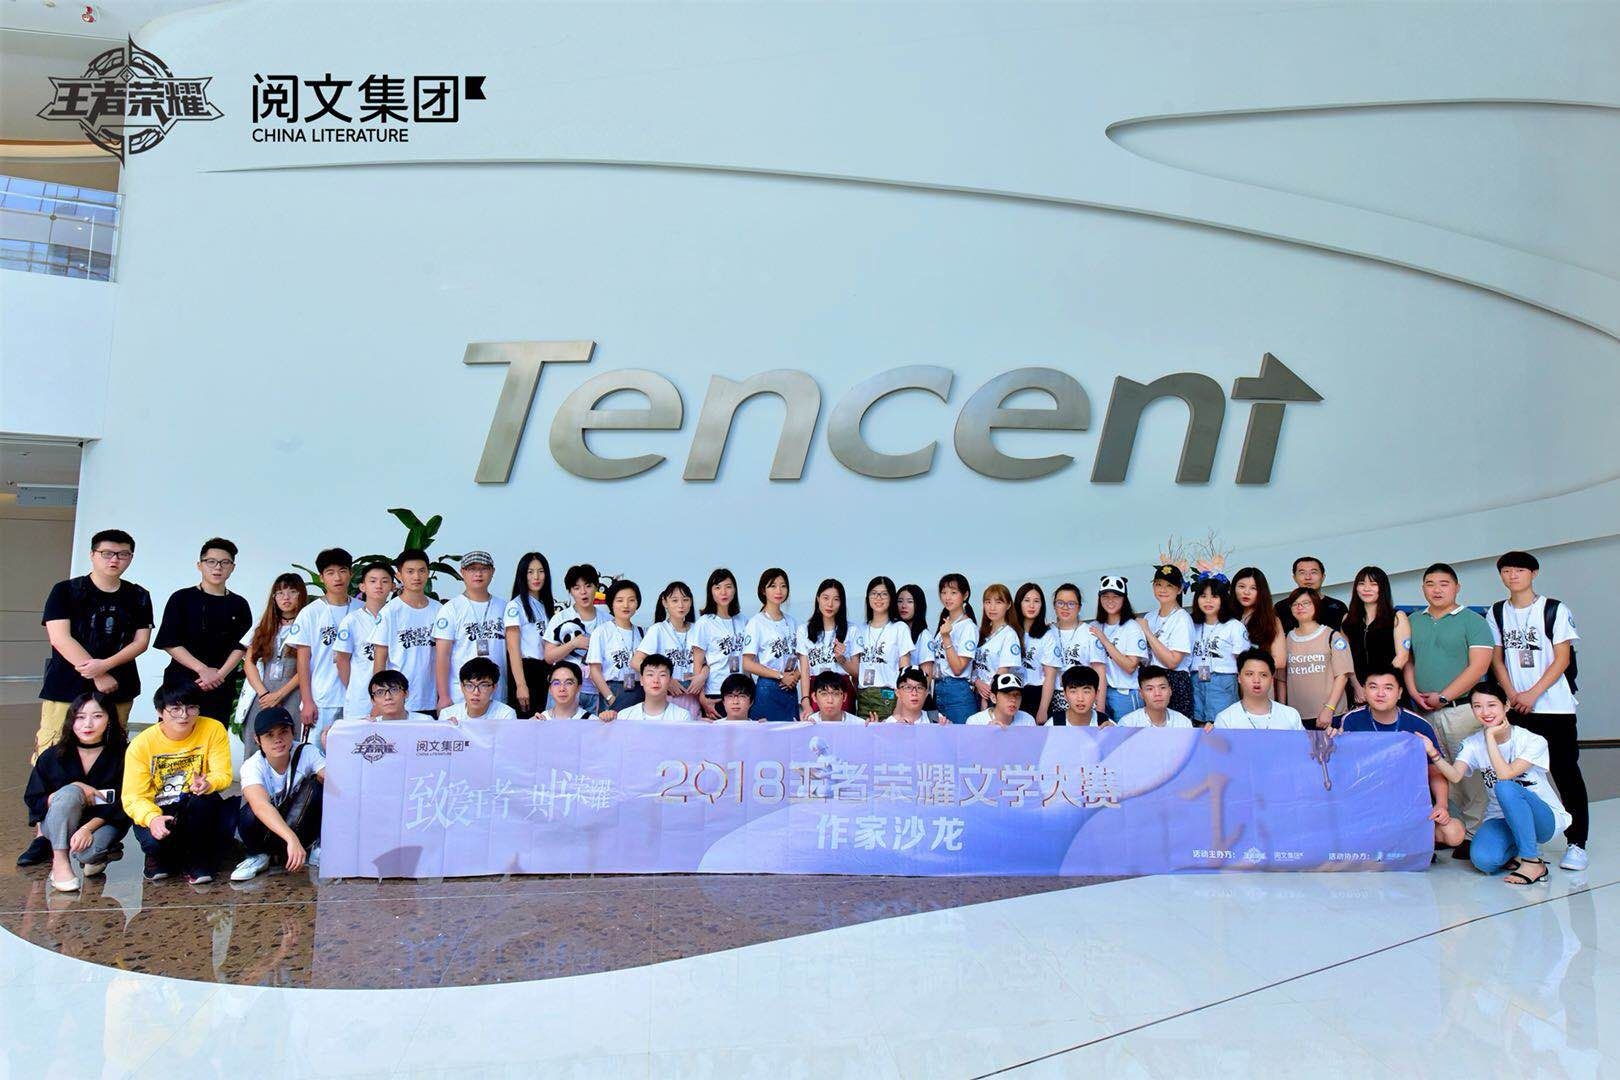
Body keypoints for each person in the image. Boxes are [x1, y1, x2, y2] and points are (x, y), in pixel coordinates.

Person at [1487, 550, 1589, 872]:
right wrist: (1512, 694)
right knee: (1519, 775)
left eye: (1519, 570)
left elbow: (1562, 659)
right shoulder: (1497, 612)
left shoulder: (1554, 610)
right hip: (1517, 706)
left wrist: (1533, 693)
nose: (1513, 575)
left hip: (1555, 708)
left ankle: (1577, 843)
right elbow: (1497, 659)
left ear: (1534, 573)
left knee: (1565, 773)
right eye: (1507, 570)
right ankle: (1526, 844)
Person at [1425, 682, 1571, 884]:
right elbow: (1455, 776)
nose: (1485, 712)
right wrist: (1433, 753)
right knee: (1484, 861)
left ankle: (1532, 861)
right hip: (1500, 817)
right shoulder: (1472, 743)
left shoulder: (1532, 740)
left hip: (1542, 818)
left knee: (1504, 787)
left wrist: (1491, 737)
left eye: (1491, 705)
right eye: (1477, 706)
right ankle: (1517, 849)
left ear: (1506, 705)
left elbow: (1505, 774)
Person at [33, 528, 152, 768]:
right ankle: (50, 793)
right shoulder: (65, 590)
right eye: (107, 553)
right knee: (55, 749)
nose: (114, 560)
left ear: (131, 557)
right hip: (66, 686)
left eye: (123, 554)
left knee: (111, 750)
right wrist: (98, 674)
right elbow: (60, 638)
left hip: (118, 687)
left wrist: (105, 666)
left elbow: (141, 642)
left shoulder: (138, 595)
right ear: (92, 554)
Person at [1404, 561, 1494, 855]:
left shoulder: (1473, 621)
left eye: (1444, 584)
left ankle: (1474, 834)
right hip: (1424, 711)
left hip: (1460, 711)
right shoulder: (1413, 620)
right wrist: (1413, 692)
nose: (1437, 590)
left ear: (1457, 587)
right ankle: (1451, 830)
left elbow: (1479, 666)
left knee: (1469, 774)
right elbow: (1408, 660)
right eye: (1430, 584)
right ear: (1423, 588)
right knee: (1437, 773)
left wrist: (1443, 697)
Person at [1337, 667, 1465, 850]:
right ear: (1364, 690)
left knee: (1453, 832)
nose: (1380, 693)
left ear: (1399, 693)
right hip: (1368, 801)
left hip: (1410, 802)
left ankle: (1412, 841)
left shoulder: (1418, 724)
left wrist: (1441, 805)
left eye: (1388, 688)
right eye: (1373, 687)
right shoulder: (1351, 721)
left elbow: (1435, 772)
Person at [123, 683, 234, 884]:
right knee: (155, 843)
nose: (184, 715)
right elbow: (133, 797)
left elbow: (223, 774)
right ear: (160, 712)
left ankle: (197, 860)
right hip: (159, 809)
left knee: (209, 804)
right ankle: (157, 857)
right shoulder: (141, 744)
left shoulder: (213, 729)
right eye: (175, 709)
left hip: (192, 803)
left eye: (191, 708)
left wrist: (208, 783)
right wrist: (152, 818)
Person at [22, 691, 129, 891]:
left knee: (89, 853)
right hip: (57, 822)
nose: (88, 724)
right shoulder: (52, 756)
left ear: (109, 719)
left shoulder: (124, 754)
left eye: (97, 716)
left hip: (103, 821)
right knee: (70, 793)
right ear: (71, 720)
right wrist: (75, 788)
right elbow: (34, 798)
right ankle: (60, 860)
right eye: (80, 717)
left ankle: (103, 852)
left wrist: (87, 829)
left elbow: (125, 800)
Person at [155, 537, 252, 736]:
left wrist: (219, 675)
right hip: (182, 682)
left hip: (220, 685)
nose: (218, 567)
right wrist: (203, 670)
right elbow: (170, 641)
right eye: (211, 562)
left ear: (232, 568)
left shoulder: (239, 604)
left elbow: (242, 645)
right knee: (174, 737)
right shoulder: (181, 598)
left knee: (213, 737)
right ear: (199, 565)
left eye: (224, 562)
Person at [229, 706, 325, 882]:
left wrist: (332, 749)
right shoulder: (252, 765)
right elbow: (260, 806)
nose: (278, 740)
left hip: (299, 828)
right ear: (257, 739)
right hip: (267, 835)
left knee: (316, 787)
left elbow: (337, 782)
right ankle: (258, 855)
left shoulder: (307, 752)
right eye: (269, 735)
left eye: (283, 732)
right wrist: (291, 839)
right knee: (250, 812)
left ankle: (315, 847)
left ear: (293, 732)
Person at [289, 547, 360, 741]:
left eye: (342, 571)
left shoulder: (362, 609)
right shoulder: (310, 613)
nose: (337, 577)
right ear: (321, 577)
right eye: (330, 572)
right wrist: (307, 701)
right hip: (322, 699)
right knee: (315, 753)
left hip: (357, 698)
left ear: (351, 573)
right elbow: (303, 661)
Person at [368, 549, 443, 717]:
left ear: (428, 573)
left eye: (421, 571)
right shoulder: (390, 611)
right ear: (399, 575)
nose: (416, 576)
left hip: (431, 697)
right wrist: (379, 699)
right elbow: (380, 658)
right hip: (397, 700)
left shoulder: (439, 610)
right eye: (410, 571)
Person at [434, 551, 508, 712]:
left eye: (484, 569)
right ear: (462, 572)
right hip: (460, 697)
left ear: (492, 571)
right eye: (472, 569)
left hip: (497, 693)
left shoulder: (504, 607)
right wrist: (444, 696)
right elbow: (442, 656)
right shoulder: (451, 609)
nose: (478, 574)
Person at [329, 560, 394, 742]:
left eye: (384, 581)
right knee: (358, 746)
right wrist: (355, 686)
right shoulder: (352, 621)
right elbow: (342, 660)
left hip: (394, 698)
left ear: (393, 586)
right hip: (360, 698)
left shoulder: (398, 615)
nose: (379, 586)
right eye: (373, 581)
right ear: (362, 586)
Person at [242, 573, 311, 740]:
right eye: (280, 593)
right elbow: (249, 663)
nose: (285, 597)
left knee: (290, 740)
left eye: (292, 592)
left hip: (293, 693)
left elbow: (309, 665)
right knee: (257, 738)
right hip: (263, 694)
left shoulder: (309, 623)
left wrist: (280, 694)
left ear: (301, 594)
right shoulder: (264, 624)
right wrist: (264, 694)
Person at [1281, 588, 1354, 730]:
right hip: (1297, 717)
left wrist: (1329, 708)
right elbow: (1281, 679)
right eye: (1295, 604)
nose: (1300, 607)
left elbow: (1342, 675)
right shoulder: (1287, 639)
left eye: (1306, 603)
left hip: (1330, 714)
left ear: (1316, 605)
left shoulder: (1332, 636)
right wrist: (1283, 711)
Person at [543, 564, 610, 713]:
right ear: (570, 591)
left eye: (588, 586)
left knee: (593, 727)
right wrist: (573, 644)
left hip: (596, 691)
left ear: (597, 587)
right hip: (564, 691)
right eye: (576, 588)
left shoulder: (608, 620)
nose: (583, 592)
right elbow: (549, 656)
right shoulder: (560, 618)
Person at [1341, 566, 1411, 706]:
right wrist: (1357, 686)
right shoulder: (1347, 619)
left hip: (1388, 690)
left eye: (1373, 584)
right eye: (1362, 584)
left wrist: (1377, 687)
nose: (1366, 589)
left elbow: (1402, 657)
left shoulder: (1397, 617)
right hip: (1358, 691)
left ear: (1383, 588)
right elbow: (1344, 658)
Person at [846, 575, 914, 720]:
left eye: (884, 594)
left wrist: (900, 706)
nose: (878, 598)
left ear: (891, 598)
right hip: (863, 698)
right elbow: (856, 672)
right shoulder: (859, 630)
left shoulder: (899, 628)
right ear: (868, 597)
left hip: (889, 697)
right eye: (874, 593)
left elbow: (905, 669)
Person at [635, 581, 704, 718]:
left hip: (694, 698)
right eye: (675, 600)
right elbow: (636, 661)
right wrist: (667, 680)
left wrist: (703, 675)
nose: (681, 605)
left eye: (685, 600)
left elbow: (707, 662)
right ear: (665, 602)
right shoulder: (658, 629)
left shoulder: (698, 629)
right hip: (667, 698)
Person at [1041, 583, 1106, 725]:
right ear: (1054, 605)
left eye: (1071, 604)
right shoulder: (1046, 632)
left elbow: (1100, 671)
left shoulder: (1090, 633)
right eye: (1060, 603)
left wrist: (1100, 709)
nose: (1065, 608)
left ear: (1079, 607)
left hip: (1083, 697)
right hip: (1054, 696)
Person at [1188, 576, 1250, 725]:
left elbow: (1244, 662)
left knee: (1223, 724)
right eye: (1203, 596)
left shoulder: (1234, 626)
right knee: (1198, 724)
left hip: (1223, 681)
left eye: (1214, 596)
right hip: (1196, 679)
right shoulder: (1191, 624)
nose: (1208, 601)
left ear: (1223, 599)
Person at [742, 568, 801, 722]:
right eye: (773, 586)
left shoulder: (792, 622)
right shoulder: (756, 623)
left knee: (791, 733)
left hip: (790, 688)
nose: (779, 590)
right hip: (768, 688)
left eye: (783, 586)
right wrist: (780, 676)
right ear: (763, 590)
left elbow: (801, 657)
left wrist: (796, 675)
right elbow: (747, 663)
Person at [503, 551, 556, 716]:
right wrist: (521, 685)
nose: (536, 577)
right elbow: (513, 648)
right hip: (526, 672)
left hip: (545, 671)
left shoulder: (545, 606)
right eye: (530, 572)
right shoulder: (515, 606)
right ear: (522, 575)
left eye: (541, 571)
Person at [1138, 565, 1195, 718]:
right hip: (1150, 680)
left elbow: (1172, 661)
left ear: (1179, 589)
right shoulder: (1150, 616)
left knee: (1175, 728)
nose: (1163, 590)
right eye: (1158, 584)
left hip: (1174, 681)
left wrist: (1147, 632)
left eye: (1169, 585)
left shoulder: (1182, 619)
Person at [691, 568, 747, 719]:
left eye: (728, 587)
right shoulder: (705, 622)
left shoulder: (743, 620)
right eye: (717, 587)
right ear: (711, 592)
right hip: (715, 692)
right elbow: (697, 663)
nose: (723, 592)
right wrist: (702, 698)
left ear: (735, 590)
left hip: (741, 692)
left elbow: (747, 660)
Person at [1090, 576, 1148, 720]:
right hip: (1100, 693)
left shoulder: (1132, 627)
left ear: (1124, 599)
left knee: (1127, 733)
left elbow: (1130, 666)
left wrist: (1104, 640)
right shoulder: (1095, 626)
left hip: (1125, 694)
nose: (1110, 601)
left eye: (1116, 596)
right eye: (1105, 596)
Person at [585, 578, 644, 718]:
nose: (626, 605)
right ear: (611, 603)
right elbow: (594, 670)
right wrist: (610, 697)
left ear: (637, 603)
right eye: (620, 600)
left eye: (631, 600)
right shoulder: (601, 632)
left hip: (639, 691)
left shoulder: (643, 632)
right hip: (613, 691)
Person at [796, 578, 854, 719]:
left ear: (842, 602)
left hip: (841, 689)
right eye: (825, 598)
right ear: (818, 599)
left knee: (843, 731)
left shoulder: (851, 629)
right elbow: (805, 669)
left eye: (836, 599)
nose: (830, 604)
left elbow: (856, 672)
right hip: (816, 689)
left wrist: (841, 659)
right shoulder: (804, 630)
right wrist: (805, 700)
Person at [1213, 650, 1306, 730]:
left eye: (1263, 675)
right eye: (1249, 674)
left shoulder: (1291, 716)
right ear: (1239, 678)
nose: (1256, 680)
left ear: (1271, 679)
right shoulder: (1225, 720)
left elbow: (1304, 745)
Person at [931, 573, 979, 724]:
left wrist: (946, 638)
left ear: (965, 595)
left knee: (961, 737)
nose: (947, 597)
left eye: (953, 592)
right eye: (944, 592)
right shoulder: (945, 623)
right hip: (939, 687)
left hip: (957, 691)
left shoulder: (968, 627)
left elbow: (958, 668)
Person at [971, 583, 1023, 710]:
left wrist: (987, 696)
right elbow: (974, 666)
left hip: (995, 696)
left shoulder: (1009, 634)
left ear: (1008, 605)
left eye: (998, 602)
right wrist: (977, 682)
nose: (992, 607)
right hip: (977, 692)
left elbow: (1003, 671)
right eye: (988, 602)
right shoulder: (983, 632)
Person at [1231, 566, 1286, 681]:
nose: (1246, 592)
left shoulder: (1271, 620)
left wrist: (1248, 668)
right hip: (1228, 684)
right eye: (1241, 586)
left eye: (1253, 588)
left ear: (1261, 592)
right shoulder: (1226, 618)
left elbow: (1280, 660)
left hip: (1257, 683)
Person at [1014, 582, 1056, 721]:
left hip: (1036, 695)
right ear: (1019, 603)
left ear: (1042, 605)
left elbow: (1050, 676)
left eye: (1036, 601)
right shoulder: (1010, 632)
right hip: (1011, 692)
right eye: (1027, 600)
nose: (1031, 605)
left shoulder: (1047, 635)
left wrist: (1043, 710)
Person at [613, 654, 696, 723]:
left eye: (662, 675)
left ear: (670, 681)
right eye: (650, 675)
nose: (656, 680)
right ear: (641, 680)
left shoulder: (682, 717)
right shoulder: (625, 716)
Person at [1274, 556, 1348, 632]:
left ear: (1323, 577)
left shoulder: (1338, 607)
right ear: (1294, 578)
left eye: (1313, 572)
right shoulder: (1281, 607)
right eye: (1302, 573)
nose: (1308, 577)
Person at [439, 658, 519, 723]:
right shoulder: (447, 714)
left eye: (483, 686)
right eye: (469, 686)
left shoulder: (505, 715)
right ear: (462, 687)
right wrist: (448, 731)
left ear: (494, 687)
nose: (476, 692)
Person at [1116, 666, 1195, 728]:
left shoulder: (1183, 723)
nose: (1157, 693)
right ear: (1141, 693)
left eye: (1162, 687)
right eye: (1150, 689)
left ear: (1170, 690)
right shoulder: (1128, 724)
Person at [362, 670, 436, 723]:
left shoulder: (425, 721)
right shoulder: (370, 725)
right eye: (380, 692)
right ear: (373, 700)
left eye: (394, 690)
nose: (388, 697)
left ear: (406, 693)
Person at [966, 672, 1037, 726]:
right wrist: (987, 733)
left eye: (1017, 695)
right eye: (1007, 695)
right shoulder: (975, 722)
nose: (1013, 700)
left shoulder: (1027, 721)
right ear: (993, 698)